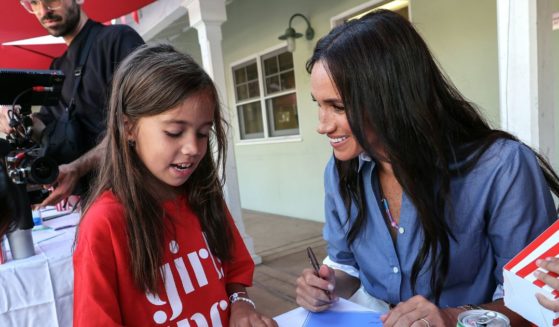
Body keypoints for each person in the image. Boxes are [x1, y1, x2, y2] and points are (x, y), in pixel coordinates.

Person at [295, 9, 559, 326]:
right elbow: (345, 264)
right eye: (318, 104)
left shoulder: (502, 168)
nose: (321, 126)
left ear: (391, 97)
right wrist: (328, 286)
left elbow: (535, 303)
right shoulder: (341, 171)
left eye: (337, 107)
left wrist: (452, 318)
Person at [73, 43, 277, 327]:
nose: (193, 147)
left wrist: (241, 305)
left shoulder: (204, 196)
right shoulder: (104, 223)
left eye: (203, 133)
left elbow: (233, 272)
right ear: (128, 128)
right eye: (174, 132)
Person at [0, 0, 144, 207]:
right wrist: (18, 120)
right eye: (34, 3)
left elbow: (140, 123)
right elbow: (45, 130)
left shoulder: (118, 39)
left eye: (51, 0)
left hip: (131, 195)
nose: (43, 11)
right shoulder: (57, 67)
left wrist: (77, 168)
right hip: (87, 203)